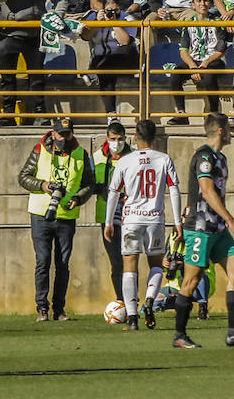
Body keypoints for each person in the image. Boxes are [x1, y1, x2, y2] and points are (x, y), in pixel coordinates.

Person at [105, 119, 182, 331]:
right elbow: (174, 189)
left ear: (135, 137)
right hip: (155, 219)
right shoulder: (164, 159)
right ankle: (149, 299)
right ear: (155, 137)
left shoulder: (125, 161)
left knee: (129, 266)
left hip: (130, 219)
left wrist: (109, 222)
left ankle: (131, 318)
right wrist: (177, 223)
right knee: (156, 263)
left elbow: (114, 193)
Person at [18, 118, 95, 322]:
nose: (63, 138)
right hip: (40, 214)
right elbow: (23, 177)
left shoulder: (81, 153)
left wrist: (78, 199)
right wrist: (42, 185)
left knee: (62, 263)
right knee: (43, 261)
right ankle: (41, 308)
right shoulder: (39, 149)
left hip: (66, 217)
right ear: (53, 133)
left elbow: (89, 183)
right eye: (60, 134)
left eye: (67, 134)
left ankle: (59, 309)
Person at [0, 0, 47, 126]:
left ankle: (40, 113)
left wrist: (58, 14)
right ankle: (8, 114)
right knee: (7, 77)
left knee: (37, 77)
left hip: (34, 33)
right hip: (10, 33)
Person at [92, 120, 133, 306]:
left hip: (130, 215)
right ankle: (121, 300)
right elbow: (88, 182)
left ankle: (131, 300)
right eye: (113, 139)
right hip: (107, 217)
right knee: (116, 261)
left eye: (120, 139)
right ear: (107, 139)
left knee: (129, 261)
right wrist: (98, 188)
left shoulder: (133, 156)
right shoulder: (97, 157)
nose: (117, 142)